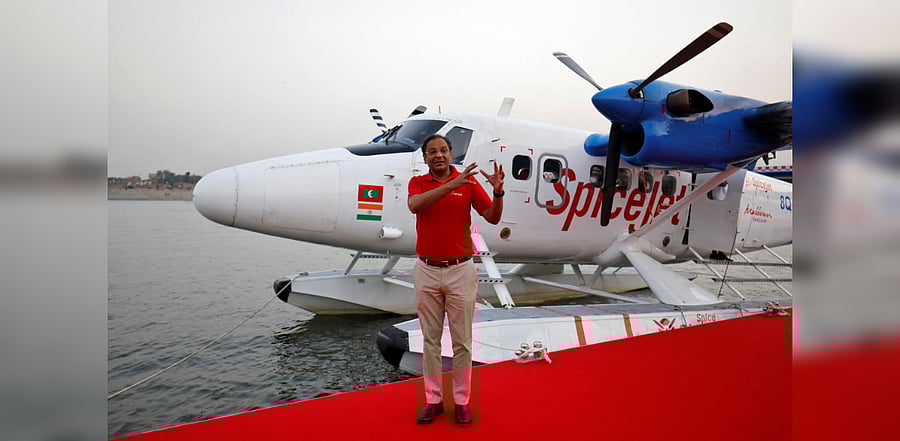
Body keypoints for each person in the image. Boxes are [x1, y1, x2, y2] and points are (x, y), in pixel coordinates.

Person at [407, 134, 505, 425]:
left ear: (451, 154)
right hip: (426, 269)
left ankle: (461, 401)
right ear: (425, 158)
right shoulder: (419, 184)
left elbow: (492, 217)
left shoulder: (469, 184)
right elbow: (415, 205)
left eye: (444, 150)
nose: (439, 155)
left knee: (462, 342)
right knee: (431, 341)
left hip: (460, 270)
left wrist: (498, 193)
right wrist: (452, 184)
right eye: (433, 152)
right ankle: (433, 399)